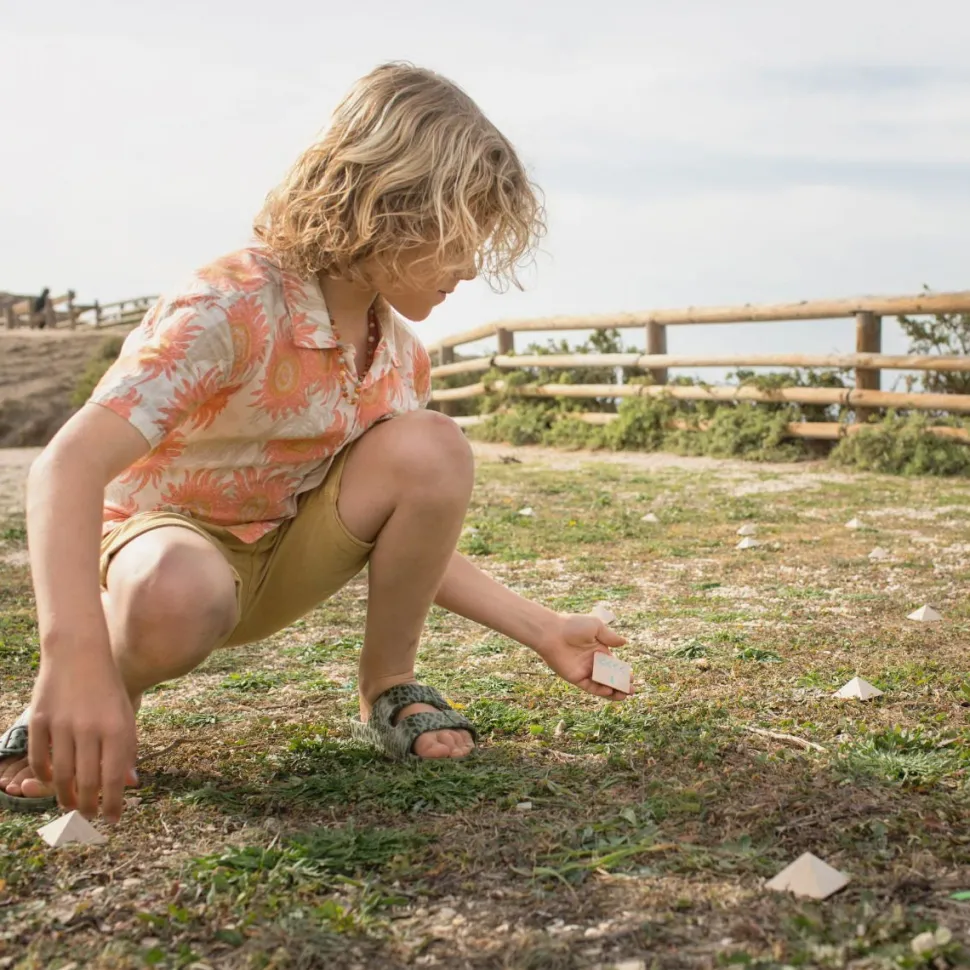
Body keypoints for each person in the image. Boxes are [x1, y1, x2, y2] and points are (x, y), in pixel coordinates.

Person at [0, 62, 631, 823]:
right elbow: (66, 467)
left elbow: (410, 537)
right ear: (392, 204)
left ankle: (388, 684)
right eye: (461, 236)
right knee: (175, 584)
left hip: (283, 562)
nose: (470, 267)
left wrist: (543, 630)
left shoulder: (403, 358)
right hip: (160, 565)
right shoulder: (231, 301)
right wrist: (69, 654)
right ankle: (101, 689)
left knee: (433, 446)